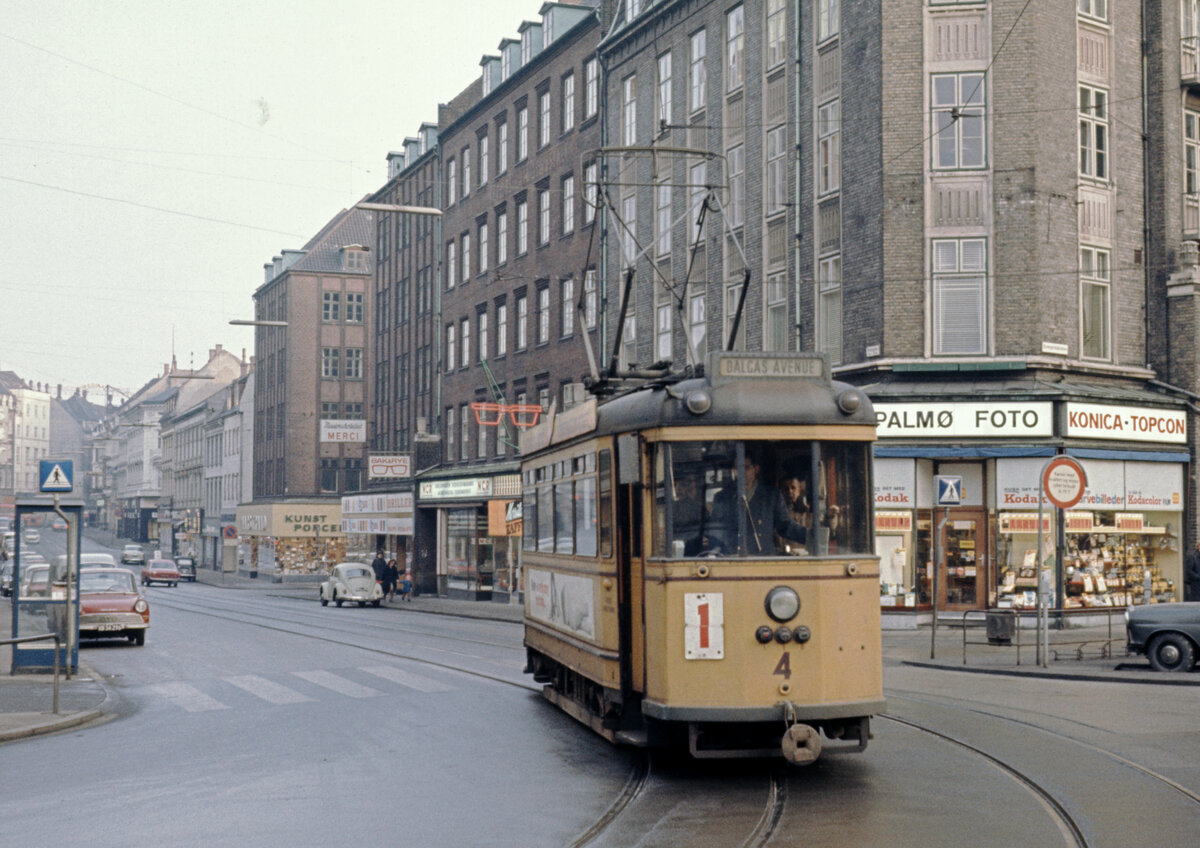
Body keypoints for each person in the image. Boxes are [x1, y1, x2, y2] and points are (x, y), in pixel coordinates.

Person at [713, 451, 807, 555]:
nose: (741, 472)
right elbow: (716, 530)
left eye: (746, 468)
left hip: (763, 562)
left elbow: (785, 526)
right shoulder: (722, 497)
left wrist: (813, 536)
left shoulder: (771, 496)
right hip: (731, 561)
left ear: (756, 469)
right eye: (737, 468)